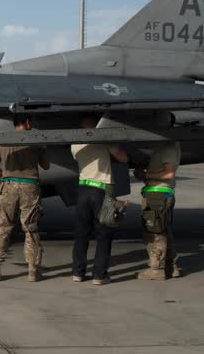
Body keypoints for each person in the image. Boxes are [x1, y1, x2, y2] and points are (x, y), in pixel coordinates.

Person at [0, 114, 49, 282]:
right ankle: (33, 271)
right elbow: (46, 166)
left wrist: (7, 176)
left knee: (3, 226)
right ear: (28, 122)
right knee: (30, 227)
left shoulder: (3, 140)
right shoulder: (36, 140)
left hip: (9, 184)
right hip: (30, 185)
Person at [70, 115, 129, 285]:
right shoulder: (104, 139)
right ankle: (99, 275)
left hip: (82, 190)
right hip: (102, 189)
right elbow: (123, 158)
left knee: (81, 233)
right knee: (104, 233)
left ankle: (78, 272)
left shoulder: (75, 144)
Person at [135, 142, 182, 280]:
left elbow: (169, 174)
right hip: (158, 193)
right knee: (163, 230)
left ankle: (156, 270)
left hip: (158, 196)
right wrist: (143, 176)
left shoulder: (168, 147)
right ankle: (171, 267)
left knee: (154, 232)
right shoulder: (164, 146)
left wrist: (147, 175)